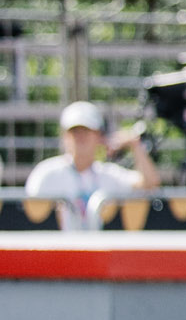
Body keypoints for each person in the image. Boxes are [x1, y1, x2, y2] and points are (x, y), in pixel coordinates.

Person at [24, 98, 159, 232]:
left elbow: (149, 184)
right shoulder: (47, 172)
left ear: (99, 136)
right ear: (65, 136)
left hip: (99, 251)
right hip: (57, 251)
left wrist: (134, 145)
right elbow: (29, 212)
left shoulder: (109, 174)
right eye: (75, 132)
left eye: (86, 131)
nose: (80, 137)